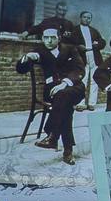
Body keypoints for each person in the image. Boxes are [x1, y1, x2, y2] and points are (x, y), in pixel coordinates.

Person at [14, 27, 84, 165]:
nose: (49, 40)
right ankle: (67, 151)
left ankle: (52, 135)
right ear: (42, 39)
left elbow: (80, 69)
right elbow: (21, 69)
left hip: (74, 86)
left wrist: (65, 83)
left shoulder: (70, 49)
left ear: (59, 38)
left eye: (52, 37)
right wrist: (26, 57)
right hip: (53, 91)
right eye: (46, 37)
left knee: (64, 96)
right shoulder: (40, 51)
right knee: (65, 105)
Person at [72, 11, 107, 110]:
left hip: (94, 57)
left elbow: (103, 42)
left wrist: (95, 45)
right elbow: (70, 44)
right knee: (82, 80)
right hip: (81, 58)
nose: (86, 19)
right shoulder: (75, 30)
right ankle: (81, 103)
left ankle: (92, 103)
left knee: (94, 80)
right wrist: (78, 47)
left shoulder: (94, 31)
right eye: (84, 17)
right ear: (80, 18)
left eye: (89, 18)